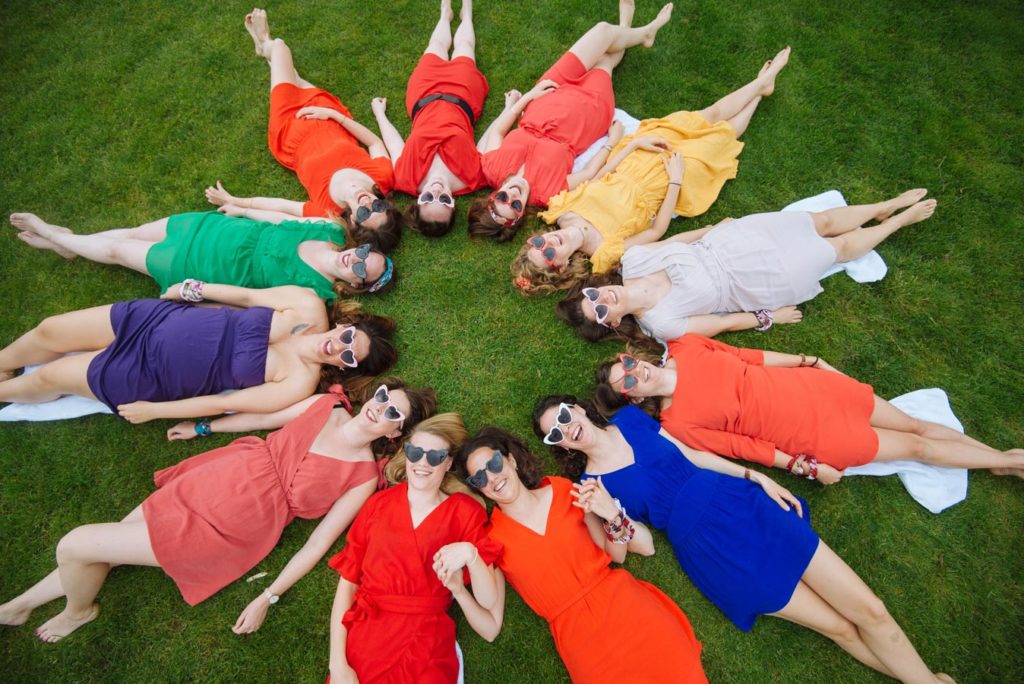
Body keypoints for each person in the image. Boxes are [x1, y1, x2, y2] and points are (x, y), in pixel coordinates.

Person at [534, 396, 956, 683]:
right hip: (713, 552)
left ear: (579, 408)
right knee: (841, 629)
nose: (567, 430)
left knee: (871, 610)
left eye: (564, 417)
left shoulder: (629, 419)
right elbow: (643, 546)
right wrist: (613, 516)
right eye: (555, 434)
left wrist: (756, 477)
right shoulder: (591, 485)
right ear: (559, 446)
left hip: (741, 505)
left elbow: (693, 455)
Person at [0, 379, 435, 643]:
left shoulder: (361, 477)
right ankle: (19, 606)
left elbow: (317, 544)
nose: (380, 406)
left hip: (230, 525)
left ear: (395, 433)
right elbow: (260, 419)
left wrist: (268, 596)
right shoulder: (326, 405)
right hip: (214, 477)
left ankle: (78, 611)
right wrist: (202, 427)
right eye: (383, 395)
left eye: (392, 411)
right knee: (107, 548)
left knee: (76, 544)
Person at [506, 47, 799, 295]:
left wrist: (634, 145)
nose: (548, 243)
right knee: (725, 136)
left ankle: (762, 82)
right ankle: (761, 91)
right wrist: (675, 180)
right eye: (548, 254)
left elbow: (600, 175)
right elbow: (657, 231)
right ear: (561, 267)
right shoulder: (604, 252)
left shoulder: (560, 210)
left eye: (537, 243)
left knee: (707, 116)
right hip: (666, 182)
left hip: (637, 159)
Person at [454, 426, 708, 683]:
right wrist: (461, 582)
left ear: (511, 460)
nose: (492, 478)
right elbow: (490, 622)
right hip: (582, 645)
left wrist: (613, 518)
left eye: (494, 464)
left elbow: (616, 556)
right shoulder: (491, 540)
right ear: (479, 489)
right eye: (479, 478)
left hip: (631, 611)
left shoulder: (563, 490)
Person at [591, 337, 1024, 483]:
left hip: (812, 389)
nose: (633, 373)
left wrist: (808, 360)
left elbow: (749, 356)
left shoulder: (686, 347)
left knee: (914, 425)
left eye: (627, 365)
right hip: (806, 433)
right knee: (917, 448)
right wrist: (804, 467)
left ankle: (1001, 459)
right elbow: (744, 448)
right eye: (625, 382)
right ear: (633, 398)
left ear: (633, 357)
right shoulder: (678, 423)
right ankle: (1005, 461)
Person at [556, 191, 937, 340]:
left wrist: (714, 228)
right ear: (611, 322)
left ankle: (883, 207)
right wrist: (768, 317)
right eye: (600, 309)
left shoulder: (633, 260)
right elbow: (721, 323)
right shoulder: (662, 323)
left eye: (593, 295)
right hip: (753, 282)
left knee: (817, 222)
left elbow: (676, 241)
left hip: (730, 241)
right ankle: (897, 222)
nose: (603, 298)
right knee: (835, 249)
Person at [0, 283, 396, 422]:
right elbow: (246, 297)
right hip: (154, 320)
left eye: (349, 356)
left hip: (149, 375)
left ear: (345, 367)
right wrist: (194, 289)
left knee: (50, 377)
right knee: (50, 330)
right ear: (345, 326)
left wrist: (155, 410)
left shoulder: (299, 381)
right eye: (349, 338)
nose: (340, 347)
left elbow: (224, 403)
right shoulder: (306, 305)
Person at [468, 2, 675, 241]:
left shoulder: (492, 168)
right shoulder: (547, 193)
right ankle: (632, 30)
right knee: (604, 60)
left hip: (547, 93)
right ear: (522, 214)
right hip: (585, 114)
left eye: (502, 198)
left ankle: (637, 31)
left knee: (602, 32)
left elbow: (497, 131)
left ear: (492, 196)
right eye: (515, 206)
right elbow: (589, 173)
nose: (513, 195)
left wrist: (526, 98)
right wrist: (612, 141)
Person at [326, 412, 501, 683]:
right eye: (415, 452)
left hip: (427, 643)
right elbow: (347, 584)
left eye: (435, 457)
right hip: (366, 640)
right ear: (406, 454)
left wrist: (471, 554)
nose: (422, 463)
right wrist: (337, 663)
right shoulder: (377, 504)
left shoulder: (465, 512)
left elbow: (488, 601)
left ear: (448, 463)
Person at [226, 8, 401, 252]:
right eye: (378, 208)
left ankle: (265, 42)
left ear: (353, 221)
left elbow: (282, 208)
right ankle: (264, 48)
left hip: (290, 129)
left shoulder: (325, 209)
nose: (368, 203)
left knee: (280, 48)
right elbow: (375, 144)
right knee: (291, 75)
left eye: (364, 213)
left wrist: (238, 203)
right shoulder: (382, 178)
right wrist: (335, 116)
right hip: (326, 114)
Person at [9, 209, 394, 301]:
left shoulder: (317, 293)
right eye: (363, 252)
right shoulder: (329, 230)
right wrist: (240, 206)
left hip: (203, 266)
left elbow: (251, 303)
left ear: (356, 285)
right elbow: (280, 218)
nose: (355, 258)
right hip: (213, 229)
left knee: (116, 249)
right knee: (130, 233)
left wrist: (197, 293)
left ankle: (54, 234)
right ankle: (71, 244)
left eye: (362, 268)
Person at [371, 0, 488, 237]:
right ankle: (466, 14)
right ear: (453, 205)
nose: (436, 191)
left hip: (423, 94)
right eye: (444, 200)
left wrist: (379, 114)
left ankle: (445, 14)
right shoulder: (473, 178)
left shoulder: (405, 178)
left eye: (428, 199)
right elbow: (489, 139)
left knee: (435, 45)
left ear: (417, 202)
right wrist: (510, 109)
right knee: (465, 46)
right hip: (464, 94)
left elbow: (394, 144)